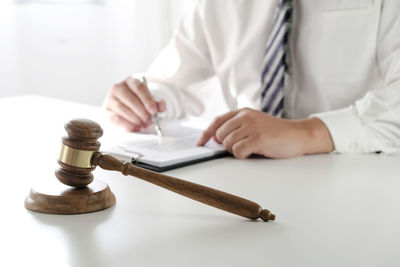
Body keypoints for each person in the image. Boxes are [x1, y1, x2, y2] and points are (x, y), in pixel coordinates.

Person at [103, 0, 400, 159]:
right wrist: (141, 98)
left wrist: (305, 133)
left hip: (360, 177)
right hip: (248, 179)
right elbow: (173, 81)